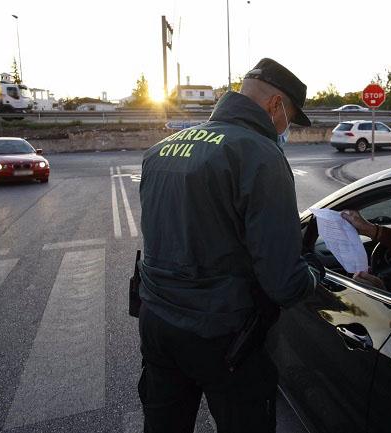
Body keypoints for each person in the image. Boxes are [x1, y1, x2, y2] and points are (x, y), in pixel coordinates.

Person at [137, 58, 324, 433]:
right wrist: (315, 273)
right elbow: (283, 282)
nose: (287, 129)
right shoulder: (260, 155)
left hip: (156, 323)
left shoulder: (162, 149)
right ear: (275, 106)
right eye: (290, 118)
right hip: (223, 337)